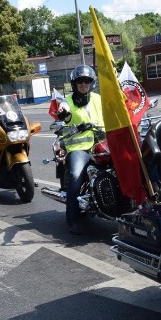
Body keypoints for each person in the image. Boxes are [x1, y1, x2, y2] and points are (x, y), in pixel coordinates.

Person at [56, 64, 104, 235]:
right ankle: (72, 219)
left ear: (92, 83)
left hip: (102, 144)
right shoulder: (67, 101)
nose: (84, 84)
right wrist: (62, 113)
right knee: (76, 176)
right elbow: (64, 112)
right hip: (79, 148)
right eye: (80, 81)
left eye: (87, 81)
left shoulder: (98, 98)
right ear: (74, 83)